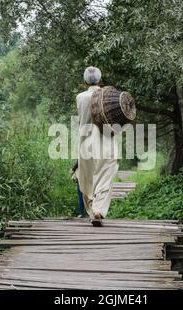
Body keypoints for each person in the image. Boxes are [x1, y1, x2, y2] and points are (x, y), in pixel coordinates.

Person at [76, 66, 119, 227]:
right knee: (105, 176)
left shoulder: (80, 97)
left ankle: (92, 208)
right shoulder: (107, 96)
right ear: (101, 81)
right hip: (106, 141)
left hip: (85, 141)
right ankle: (99, 209)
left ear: (85, 82)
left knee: (86, 178)